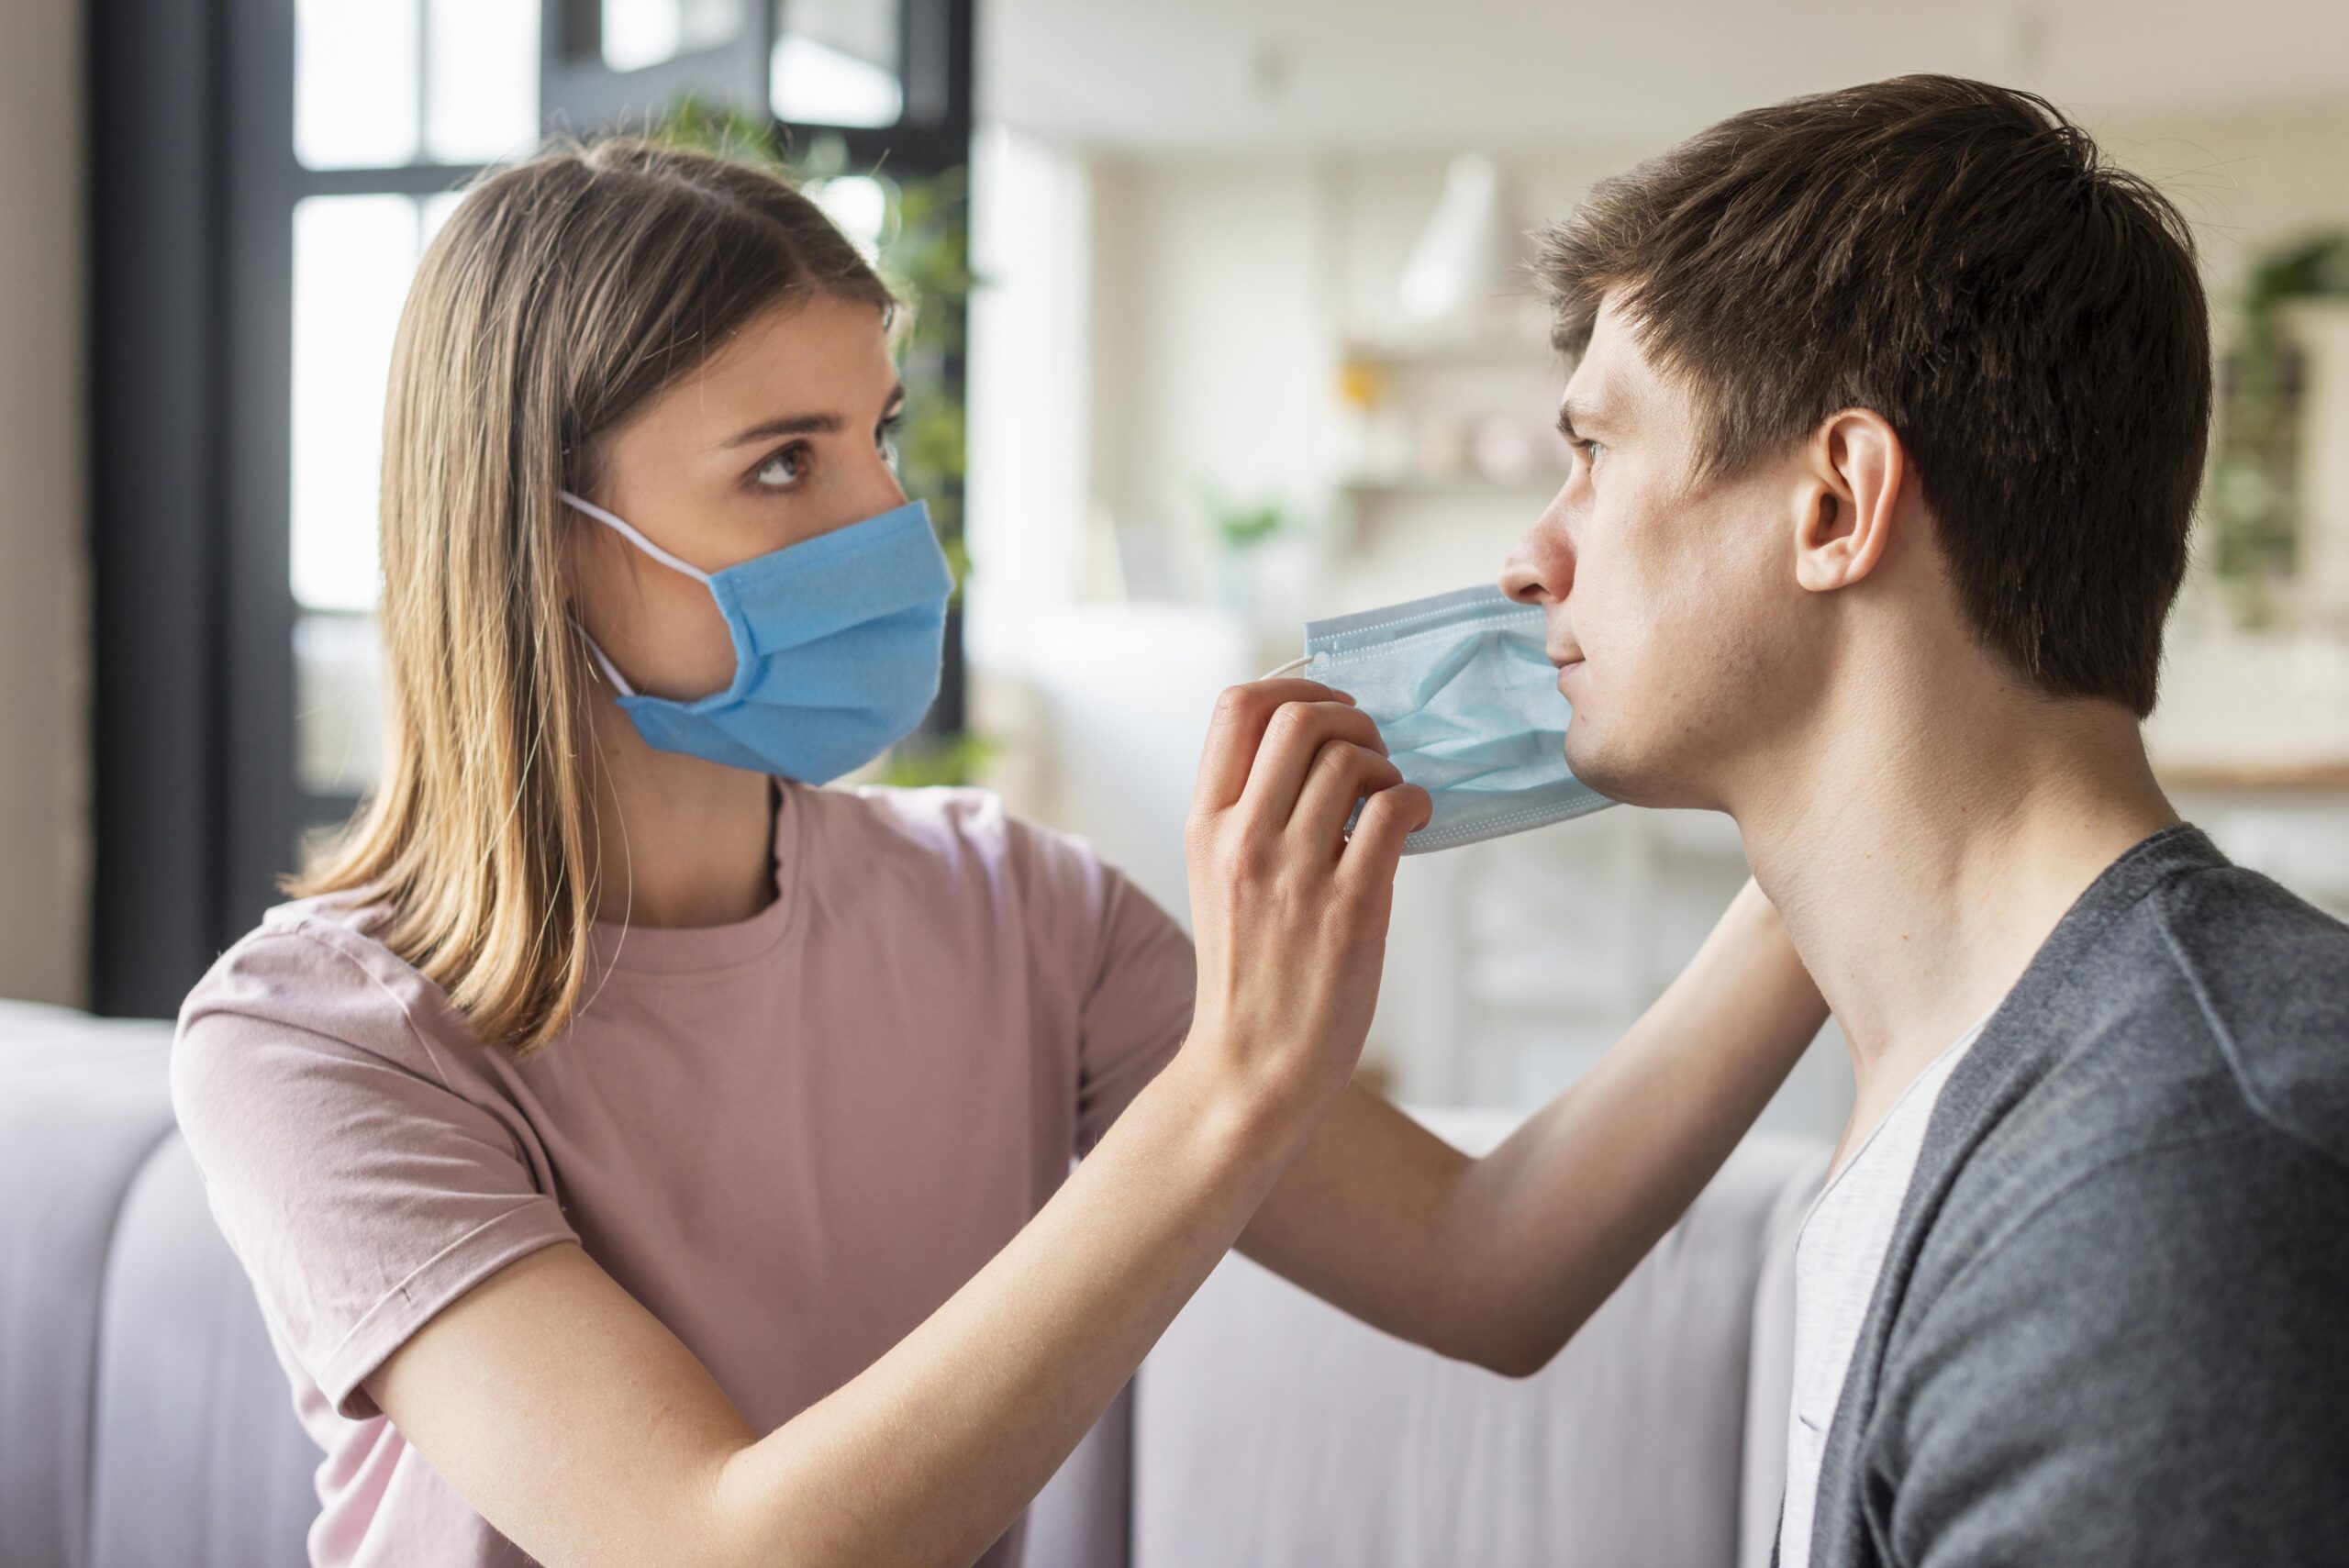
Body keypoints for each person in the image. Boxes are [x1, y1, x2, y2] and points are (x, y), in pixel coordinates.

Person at [173, 138, 1829, 1568]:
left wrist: (1827, 822)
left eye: (877, 435)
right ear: (540, 537)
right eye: (780, 464)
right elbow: (715, 1544)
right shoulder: (310, 1046)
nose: (886, 525)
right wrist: (1237, 1075)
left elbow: (1491, 1269)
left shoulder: (1017, 911)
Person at [1501, 73, 2349, 1568]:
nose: (1533, 558)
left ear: (1837, 505)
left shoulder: (2171, 1196)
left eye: (1596, 453)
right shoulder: (1991, 1079)